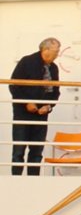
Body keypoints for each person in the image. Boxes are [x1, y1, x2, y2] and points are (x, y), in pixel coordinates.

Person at [9, 37, 61, 174]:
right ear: (46, 49)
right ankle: (16, 181)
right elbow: (14, 85)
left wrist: (49, 106)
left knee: (37, 152)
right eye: (56, 51)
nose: (57, 55)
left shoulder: (54, 68)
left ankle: (34, 180)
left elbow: (55, 92)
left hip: (41, 115)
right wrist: (26, 102)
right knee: (19, 151)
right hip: (23, 114)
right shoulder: (27, 62)